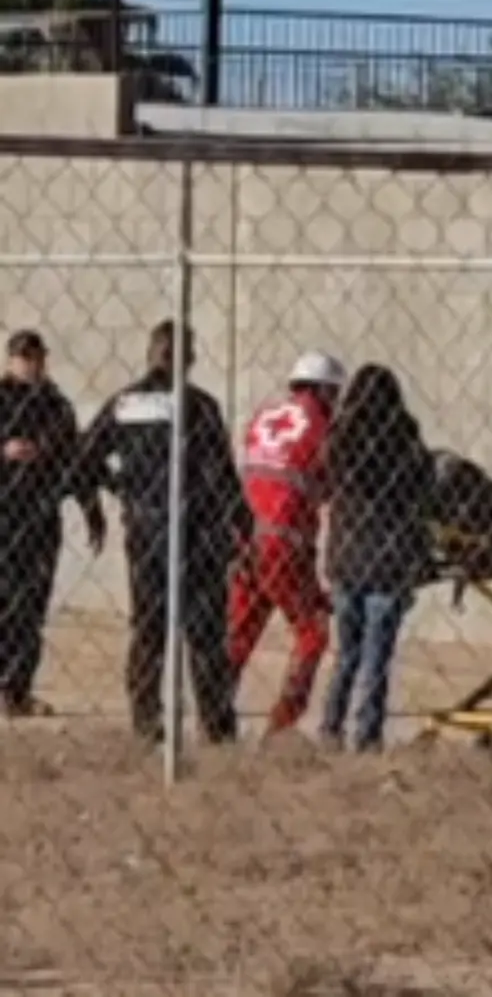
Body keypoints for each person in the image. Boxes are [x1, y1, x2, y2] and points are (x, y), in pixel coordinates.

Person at [73, 321, 246, 744]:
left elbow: (84, 459)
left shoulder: (128, 403)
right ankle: (215, 725)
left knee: (153, 629)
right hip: (196, 531)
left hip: (151, 528)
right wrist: (242, 525)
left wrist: (119, 489)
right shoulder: (199, 406)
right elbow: (223, 476)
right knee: (202, 632)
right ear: (186, 358)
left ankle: (148, 723)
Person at [226, 351, 347, 735]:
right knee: (313, 629)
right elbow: (330, 484)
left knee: (239, 632)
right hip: (285, 543)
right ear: (326, 391)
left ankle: (215, 713)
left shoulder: (263, 418)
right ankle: (282, 725)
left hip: (245, 540)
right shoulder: (323, 428)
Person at [319, 364, 433, 753]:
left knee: (346, 655)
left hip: (346, 557)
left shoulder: (340, 437)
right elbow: (423, 491)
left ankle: (330, 728)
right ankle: (365, 737)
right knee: (375, 659)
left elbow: (326, 482)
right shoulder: (404, 437)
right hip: (388, 558)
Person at [0, 330, 106, 717]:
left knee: (30, 605)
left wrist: (91, 507)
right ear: (11, 360)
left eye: (35, 357)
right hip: (3, 516)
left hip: (40, 517)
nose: (30, 363)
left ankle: (16, 691)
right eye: (22, 357)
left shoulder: (57, 405)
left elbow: (75, 460)